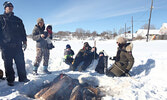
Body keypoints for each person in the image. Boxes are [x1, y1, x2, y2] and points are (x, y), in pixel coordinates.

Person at [0, 1, 29, 86]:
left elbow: (23, 32)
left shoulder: (18, 20)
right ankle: (10, 80)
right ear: (5, 8)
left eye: (11, 6)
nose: (10, 7)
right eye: (8, 6)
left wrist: (25, 41)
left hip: (17, 46)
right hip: (6, 46)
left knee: (20, 63)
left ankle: (23, 78)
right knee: (8, 64)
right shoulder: (1, 18)